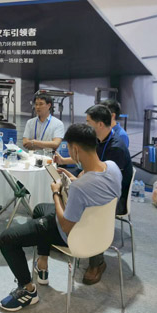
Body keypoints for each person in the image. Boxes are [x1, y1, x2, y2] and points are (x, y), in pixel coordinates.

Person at [0, 123, 121, 312]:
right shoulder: (112, 168)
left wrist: (56, 193)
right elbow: (94, 188)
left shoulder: (80, 188)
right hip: (102, 233)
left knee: (6, 239)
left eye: (69, 148)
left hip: (75, 236)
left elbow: (65, 226)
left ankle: (28, 291)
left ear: (75, 150)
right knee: (40, 209)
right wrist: (71, 180)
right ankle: (42, 263)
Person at [54, 105, 130, 284]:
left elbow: (103, 185)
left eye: (88, 122)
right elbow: (91, 165)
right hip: (103, 189)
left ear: (100, 124)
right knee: (77, 196)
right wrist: (75, 178)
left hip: (115, 199)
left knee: (87, 208)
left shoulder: (116, 148)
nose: (86, 126)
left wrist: (64, 190)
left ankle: (96, 262)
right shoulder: (101, 142)